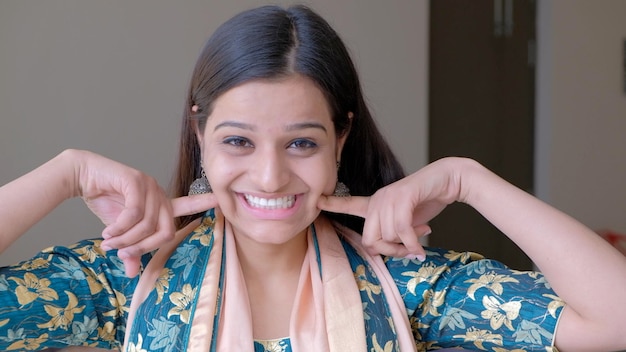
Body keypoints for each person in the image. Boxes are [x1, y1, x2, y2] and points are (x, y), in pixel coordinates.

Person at [1, 4, 625, 352]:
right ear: (200, 137)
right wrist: (65, 174)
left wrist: (469, 179)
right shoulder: (131, 277)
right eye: (237, 141)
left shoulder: (402, 281)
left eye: (302, 142)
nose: (270, 175)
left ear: (341, 138)